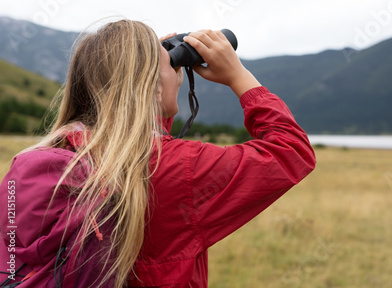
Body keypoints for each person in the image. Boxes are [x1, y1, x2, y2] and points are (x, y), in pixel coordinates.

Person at [0, 19, 316, 288]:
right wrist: (239, 77)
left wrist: (158, 82)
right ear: (151, 86)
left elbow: (134, 139)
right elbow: (291, 150)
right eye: (169, 68)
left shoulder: (53, 157)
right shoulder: (177, 169)